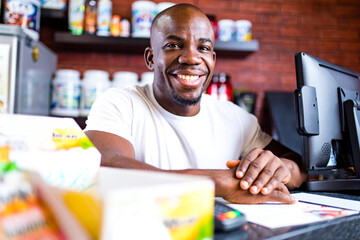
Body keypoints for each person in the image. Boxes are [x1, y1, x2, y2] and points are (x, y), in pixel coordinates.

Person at [84, 3, 307, 204]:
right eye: (173, 45)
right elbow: (107, 166)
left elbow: (298, 167)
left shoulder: (237, 119)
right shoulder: (119, 103)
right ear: (151, 58)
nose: (191, 58)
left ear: (213, 59)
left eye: (203, 48)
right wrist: (215, 183)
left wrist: (282, 169)